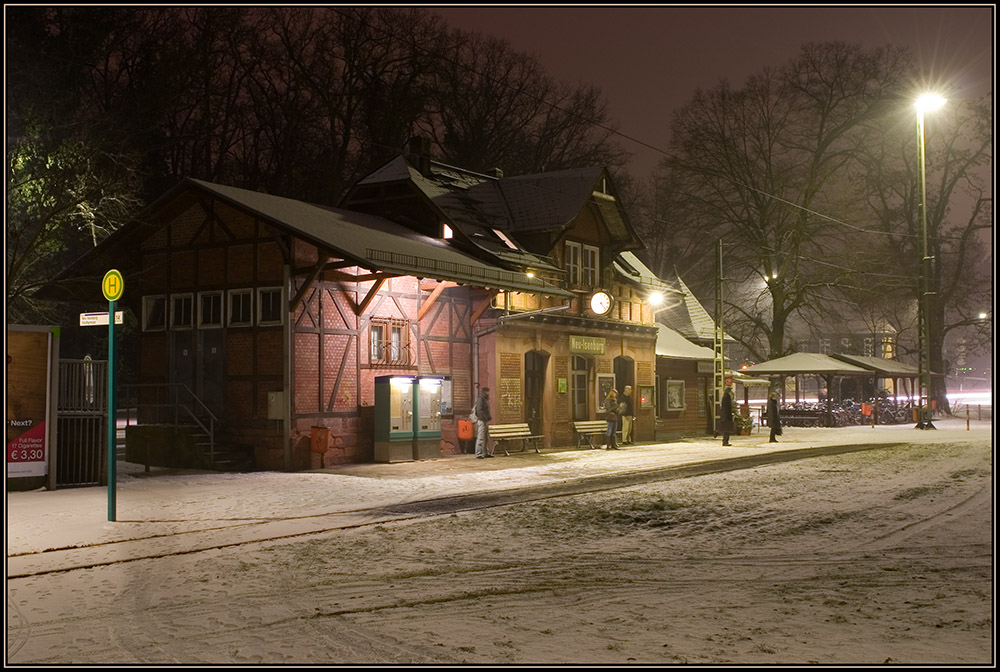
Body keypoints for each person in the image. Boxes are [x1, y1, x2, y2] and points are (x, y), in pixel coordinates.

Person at [474, 386, 493, 459]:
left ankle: (485, 452)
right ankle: (478, 453)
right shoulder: (481, 399)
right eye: (488, 391)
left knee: (486, 437)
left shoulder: (485, 399)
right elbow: (479, 410)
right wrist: (485, 418)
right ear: (486, 391)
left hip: (486, 420)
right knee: (481, 437)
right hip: (482, 420)